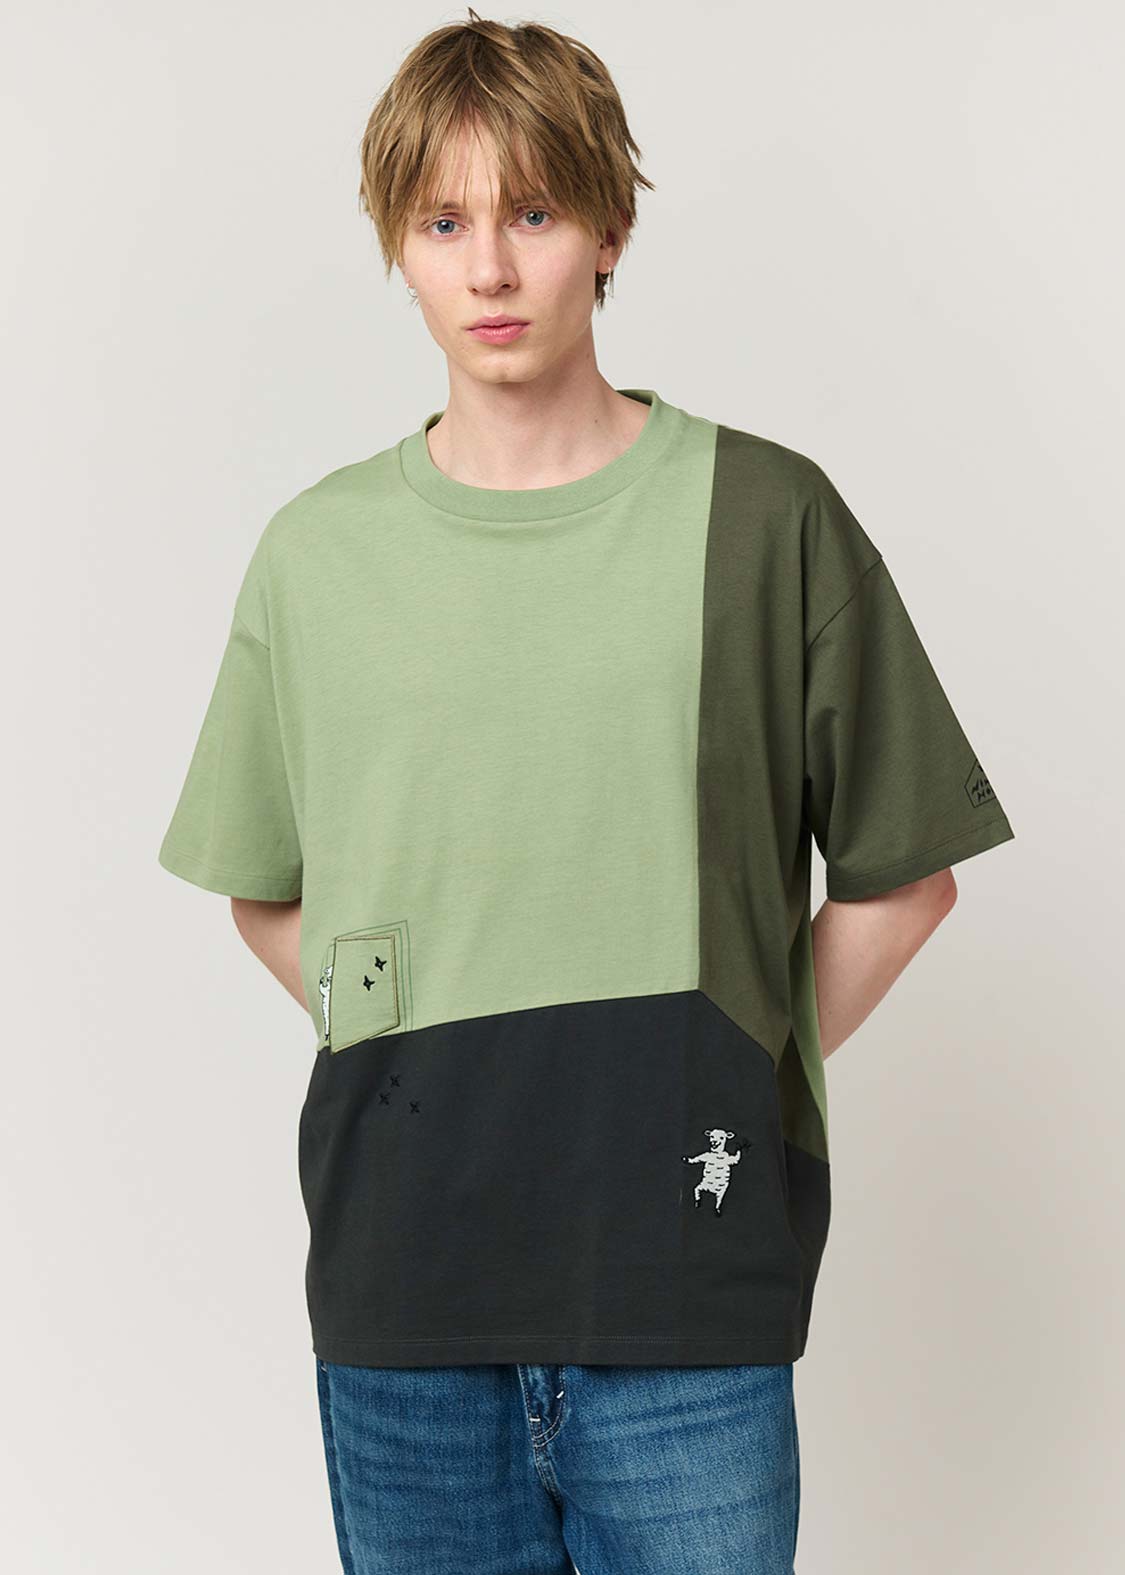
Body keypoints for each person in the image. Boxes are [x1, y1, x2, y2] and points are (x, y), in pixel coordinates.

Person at [156, 11, 1015, 1572]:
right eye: (443, 222)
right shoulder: (316, 557)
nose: (489, 267)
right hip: (404, 1293)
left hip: (685, 1302)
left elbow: (905, 876)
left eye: (534, 212)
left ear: (609, 226)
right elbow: (265, 890)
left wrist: (721, 1064)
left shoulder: (764, 519)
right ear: (398, 246)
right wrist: (408, 1035)